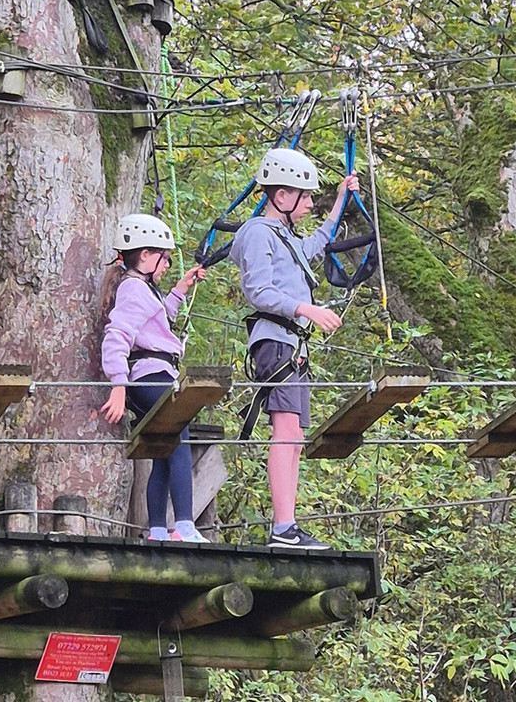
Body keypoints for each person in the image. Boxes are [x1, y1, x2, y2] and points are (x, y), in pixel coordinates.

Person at [230, 148, 359, 550]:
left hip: (291, 344)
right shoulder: (257, 233)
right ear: (279, 196)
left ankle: (288, 524)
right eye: (303, 197)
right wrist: (306, 308)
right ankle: (283, 528)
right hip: (276, 340)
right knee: (285, 432)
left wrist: (341, 200)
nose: (307, 205)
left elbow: (316, 245)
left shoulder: (284, 237)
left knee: (294, 436)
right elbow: (257, 289)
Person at [99, 213, 208, 543]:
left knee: (163, 447)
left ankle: (158, 530)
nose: (167, 265)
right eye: (164, 258)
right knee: (178, 440)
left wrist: (179, 290)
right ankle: (185, 526)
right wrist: (118, 384)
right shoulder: (134, 289)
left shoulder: (139, 288)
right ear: (144, 256)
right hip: (152, 376)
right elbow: (117, 335)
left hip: (152, 375)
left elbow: (155, 322)